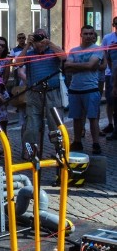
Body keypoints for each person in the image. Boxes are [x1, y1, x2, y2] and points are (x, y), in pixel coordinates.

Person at [19, 28, 66, 156]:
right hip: (34, 93)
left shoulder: (53, 50)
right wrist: (28, 44)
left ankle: (60, 151)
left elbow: (64, 57)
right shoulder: (29, 53)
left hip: (52, 93)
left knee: (55, 124)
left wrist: (49, 43)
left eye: (42, 37)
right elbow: (16, 63)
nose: (39, 41)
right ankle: (32, 153)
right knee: (32, 126)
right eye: (37, 38)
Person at [64, 25, 103, 155]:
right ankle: (77, 142)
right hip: (75, 88)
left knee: (93, 118)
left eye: (90, 34)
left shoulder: (98, 49)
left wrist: (75, 66)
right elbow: (67, 67)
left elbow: (91, 64)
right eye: (85, 34)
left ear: (93, 35)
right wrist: (85, 67)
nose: (88, 36)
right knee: (76, 118)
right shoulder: (74, 50)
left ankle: (96, 143)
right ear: (81, 35)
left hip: (91, 88)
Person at [104, 17, 117, 140]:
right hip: (111, 74)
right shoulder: (108, 38)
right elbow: (105, 56)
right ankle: (111, 124)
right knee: (111, 101)